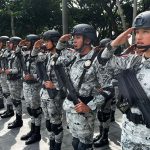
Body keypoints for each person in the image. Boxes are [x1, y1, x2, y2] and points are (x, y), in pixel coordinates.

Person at [56, 24, 113, 150]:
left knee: (84, 145)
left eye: (77, 37)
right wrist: (60, 41)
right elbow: (59, 53)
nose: (73, 41)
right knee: (75, 142)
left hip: (84, 112)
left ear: (87, 40)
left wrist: (90, 106)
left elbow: (109, 89)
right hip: (71, 108)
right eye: (73, 38)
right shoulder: (73, 56)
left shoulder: (97, 60)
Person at [100, 11, 150, 150]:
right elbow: (103, 62)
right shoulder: (132, 61)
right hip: (128, 132)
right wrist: (114, 44)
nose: (139, 37)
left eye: (145, 32)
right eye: (137, 32)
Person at [31, 29, 65, 150]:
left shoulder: (62, 57)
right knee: (48, 124)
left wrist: (55, 85)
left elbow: (70, 80)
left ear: (54, 42)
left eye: (47, 41)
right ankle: (51, 145)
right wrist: (35, 47)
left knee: (56, 125)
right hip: (44, 94)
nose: (44, 44)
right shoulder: (47, 56)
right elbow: (33, 58)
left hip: (55, 96)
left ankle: (57, 146)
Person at [19, 34, 42, 145]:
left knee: (36, 110)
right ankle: (32, 131)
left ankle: (37, 134)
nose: (26, 43)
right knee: (30, 110)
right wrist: (20, 44)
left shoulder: (40, 55)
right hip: (26, 85)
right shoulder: (26, 54)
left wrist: (33, 76)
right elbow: (17, 53)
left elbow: (44, 73)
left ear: (33, 42)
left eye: (28, 41)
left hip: (35, 86)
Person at [94, 38, 116, 148]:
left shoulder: (114, 60)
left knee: (106, 115)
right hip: (99, 92)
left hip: (109, 92)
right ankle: (101, 133)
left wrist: (107, 87)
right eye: (101, 48)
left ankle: (105, 137)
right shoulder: (98, 60)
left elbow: (118, 77)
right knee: (99, 114)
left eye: (104, 48)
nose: (102, 50)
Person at [5, 36, 23, 129]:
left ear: (15, 44)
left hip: (16, 81)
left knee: (16, 101)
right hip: (11, 80)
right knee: (14, 100)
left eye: (11, 43)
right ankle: (17, 118)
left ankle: (19, 120)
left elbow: (20, 70)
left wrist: (10, 71)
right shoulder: (12, 54)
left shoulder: (19, 55)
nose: (9, 44)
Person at [0, 36, 9, 109]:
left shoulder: (6, 51)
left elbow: (8, 64)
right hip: (2, 74)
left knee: (7, 92)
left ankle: (9, 109)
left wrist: (2, 70)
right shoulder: (2, 51)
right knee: (4, 91)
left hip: (5, 74)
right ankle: (6, 107)